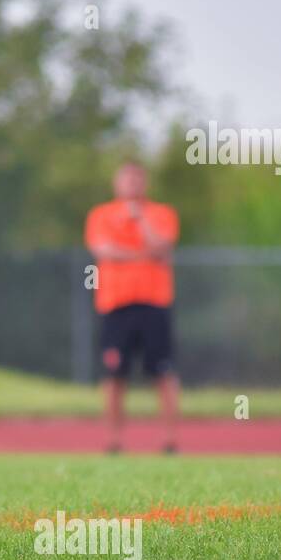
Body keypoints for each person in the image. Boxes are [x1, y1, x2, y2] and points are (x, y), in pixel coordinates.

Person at [83, 162, 179, 453]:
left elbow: (162, 247)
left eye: (137, 180)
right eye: (127, 180)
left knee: (163, 372)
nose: (132, 186)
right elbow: (103, 250)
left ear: (145, 184)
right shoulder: (101, 215)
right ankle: (113, 441)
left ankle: (170, 440)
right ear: (117, 184)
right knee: (114, 374)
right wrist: (142, 254)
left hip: (154, 303)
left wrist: (141, 222)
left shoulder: (161, 214)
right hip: (116, 304)